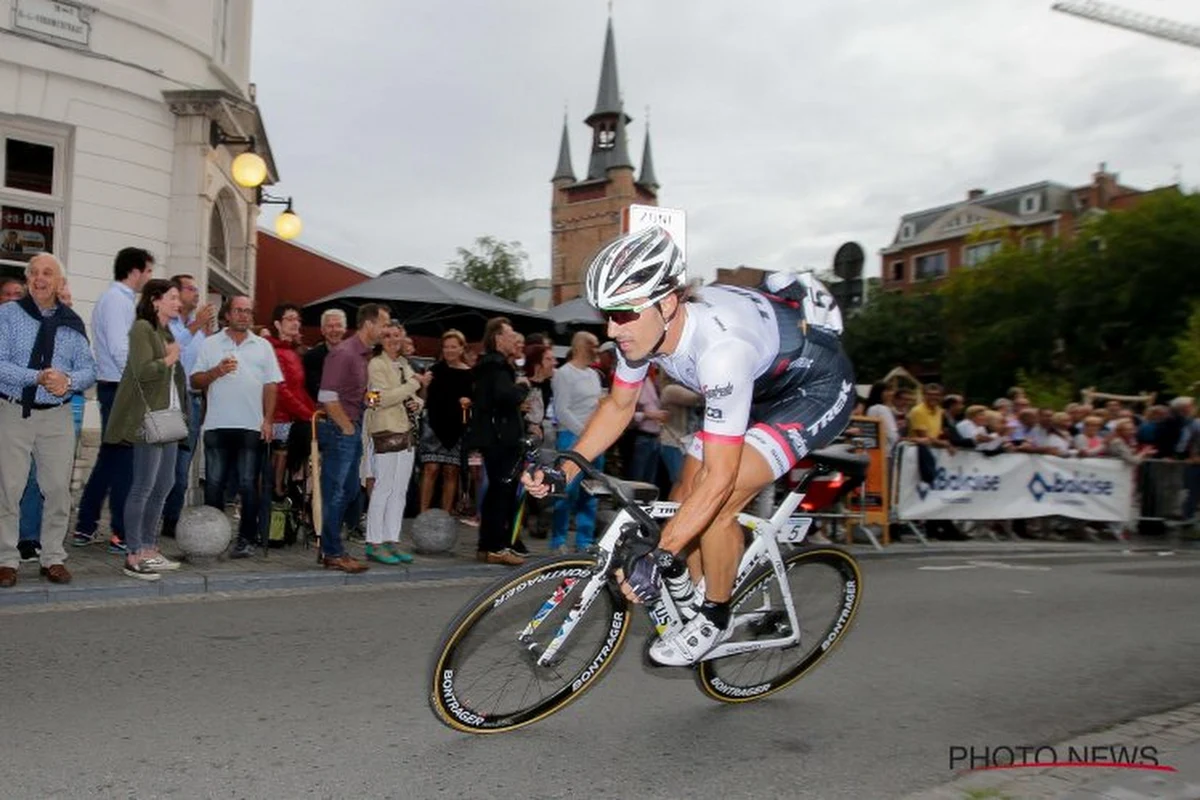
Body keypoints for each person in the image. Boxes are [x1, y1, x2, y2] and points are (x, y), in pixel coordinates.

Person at [523, 227, 856, 666]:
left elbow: (720, 479)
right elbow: (619, 406)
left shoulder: (720, 350)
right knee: (683, 494)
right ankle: (709, 582)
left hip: (815, 390)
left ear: (666, 303)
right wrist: (564, 469)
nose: (610, 327)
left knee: (716, 502)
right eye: (607, 314)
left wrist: (661, 553)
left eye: (621, 314)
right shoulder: (641, 332)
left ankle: (715, 616)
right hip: (759, 386)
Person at [0, 254, 96, 588]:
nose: (40, 279)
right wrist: (38, 377)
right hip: (14, 412)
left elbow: (89, 369)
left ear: (59, 283)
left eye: (48, 274)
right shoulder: (8, 315)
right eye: (35, 273)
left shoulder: (72, 322)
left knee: (57, 489)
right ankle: (6, 559)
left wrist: (67, 381)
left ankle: (53, 557)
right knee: (8, 488)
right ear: (28, 280)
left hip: (56, 416)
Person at [105, 279, 188, 580]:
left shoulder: (164, 331)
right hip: (148, 418)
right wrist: (169, 358)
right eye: (173, 297)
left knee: (164, 484)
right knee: (143, 486)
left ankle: (150, 549)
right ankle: (134, 554)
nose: (179, 303)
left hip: (167, 416)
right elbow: (142, 371)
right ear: (155, 300)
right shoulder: (142, 328)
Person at [74, 247, 155, 553]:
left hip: (115, 387)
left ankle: (85, 525)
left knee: (109, 461)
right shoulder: (118, 302)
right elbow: (123, 351)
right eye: (147, 271)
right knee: (125, 464)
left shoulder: (117, 300)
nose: (148, 277)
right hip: (122, 388)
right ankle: (120, 532)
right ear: (134, 270)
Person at [190, 295, 282, 559]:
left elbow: (271, 385)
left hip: (251, 425)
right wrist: (216, 372)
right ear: (227, 315)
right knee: (214, 485)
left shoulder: (263, 346)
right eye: (238, 311)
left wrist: (267, 420)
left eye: (248, 312)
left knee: (248, 485)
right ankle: (212, 539)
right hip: (217, 424)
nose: (244, 315)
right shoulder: (210, 344)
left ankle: (246, 539)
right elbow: (195, 380)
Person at [316, 303, 391, 573]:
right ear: (369, 324)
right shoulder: (344, 353)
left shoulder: (362, 355)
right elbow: (326, 396)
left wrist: (372, 398)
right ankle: (332, 552)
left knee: (347, 492)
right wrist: (347, 427)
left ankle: (332, 546)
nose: (387, 329)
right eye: (384, 324)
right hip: (341, 431)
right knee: (336, 493)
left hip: (350, 428)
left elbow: (354, 395)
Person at [363, 321, 428, 564]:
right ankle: (374, 542)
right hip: (385, 431)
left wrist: (417, 403)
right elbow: (378, 400)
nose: (392, 340)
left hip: (406, 431)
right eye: (387, 335)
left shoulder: (402, 364)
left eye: (396, 335)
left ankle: (392, 539)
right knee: (383, 487)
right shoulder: (375, 364)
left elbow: (411, 398)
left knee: (400, 491)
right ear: (381, 340)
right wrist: (414, 384)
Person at [470, 317, 529, 566]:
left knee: (497, 491)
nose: (515, 338)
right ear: (497, 338)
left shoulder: (488, 365)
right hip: (501, 438)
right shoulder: (496, 365)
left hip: (494, 436)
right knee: (501, 492)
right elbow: (504, 397)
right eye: (510, 333)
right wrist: (523, 388)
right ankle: (496, 546)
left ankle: (488, 546)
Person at [161, 274, 215, 538]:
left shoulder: (199, 331)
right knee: (163, 464)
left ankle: (171, 519)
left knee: (182, 467)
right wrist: (196, 325)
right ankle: (155, 516)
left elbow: (201, 365)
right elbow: (172, 350)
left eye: (197, 289)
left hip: (193, 401)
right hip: (170, 400)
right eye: (190, 289)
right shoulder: (167, 323)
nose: (196, 293)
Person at [550, 331, 605, 553]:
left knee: (591, 492)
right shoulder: (564, 373)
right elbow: (562, 410)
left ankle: (584, 541)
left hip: (595, 437)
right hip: (571, 437)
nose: (597, 350)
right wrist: (585, 434)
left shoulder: (594, 375)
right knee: (567, 491)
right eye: (594, 345)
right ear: (582, 346)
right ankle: (558, 540)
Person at [418, 330, 474, 515]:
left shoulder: (470, 374)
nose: (449, 350)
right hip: (433, 424)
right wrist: (424, 387)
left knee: (451, 471)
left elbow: (474, 401)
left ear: (461, 349)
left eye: (453, 347)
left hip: (456, 426)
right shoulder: (434, 370)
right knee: (430, 468)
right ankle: (423, 514)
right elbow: (423, 399)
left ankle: (445, 516)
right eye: (446, 347)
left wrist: (469, 402)